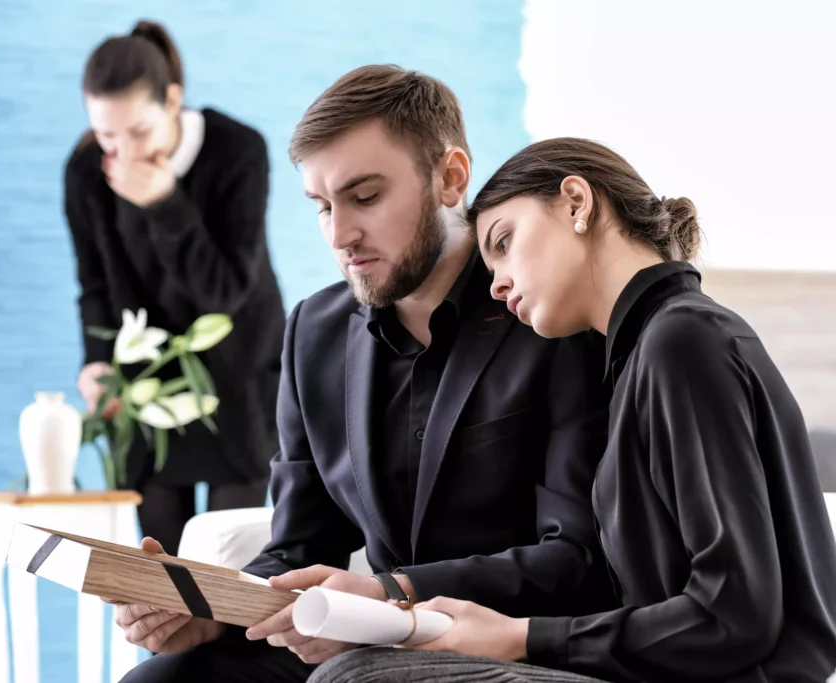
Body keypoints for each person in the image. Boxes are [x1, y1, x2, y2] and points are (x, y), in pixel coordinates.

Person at [115, 66, 616, 683]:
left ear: (450, 178)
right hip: (361, 646)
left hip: (506, 648)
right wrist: (212, 612)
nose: (339, 234)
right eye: (322, 206)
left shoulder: (549, 314)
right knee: (160, 680)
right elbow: (300, 548)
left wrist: (388, 593)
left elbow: (577, 559)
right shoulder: (314, 332)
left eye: (366, 197)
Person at [309, 138, 836, 683]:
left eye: (505, 242)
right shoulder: (643, 356)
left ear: (576, 203)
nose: (497, 285)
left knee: (359, 676)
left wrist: (519, 638)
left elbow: (736, 615)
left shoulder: (683, 339)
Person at [64, 21, 286, 555]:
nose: (122, 153)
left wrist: (165, 203)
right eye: (107, 135)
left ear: (172, 100)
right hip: (150, 386)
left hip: (240, 381)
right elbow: (93, 284)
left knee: (232, 566)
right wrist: (97, 362)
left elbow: (226, 293)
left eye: (137, 132)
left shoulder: (238, 150)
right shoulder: (86, 172)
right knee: (158, 572)